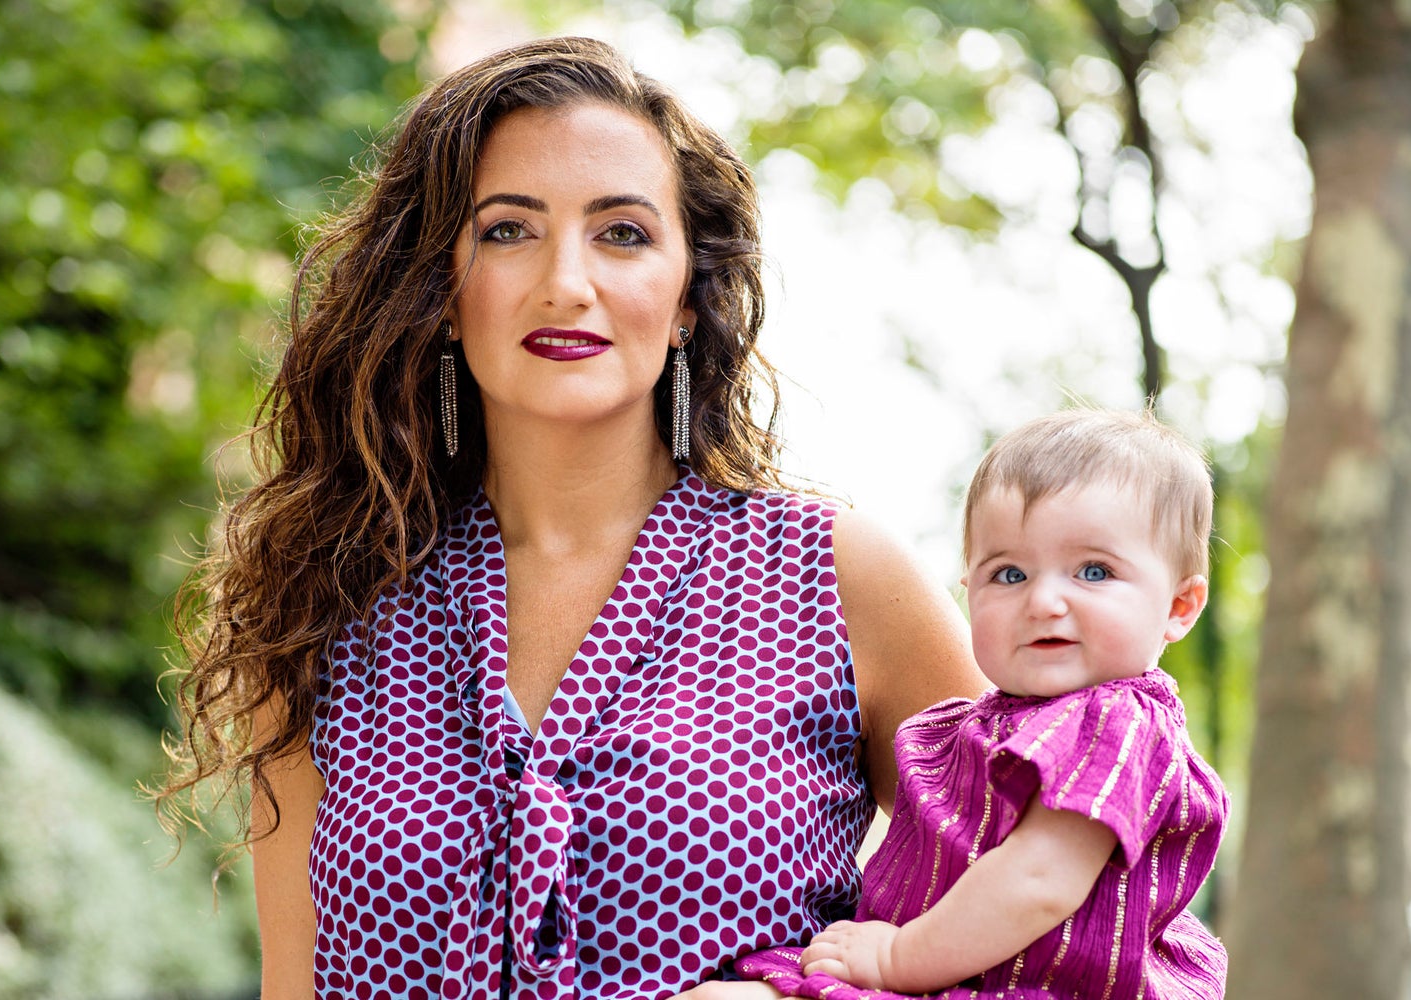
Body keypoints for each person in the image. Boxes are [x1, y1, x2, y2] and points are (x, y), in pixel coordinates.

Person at [157, 35, 984, 1000]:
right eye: (508, 230)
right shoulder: (324, 602)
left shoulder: (835, 580)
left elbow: (1064, 944)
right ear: (443, 293)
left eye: (623, 233)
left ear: (687, 297)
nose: (567, 282)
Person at [723, 408, 1229, 999]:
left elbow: (1038, 879)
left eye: (1094, 571)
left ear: (1179, 606)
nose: (1043, 601)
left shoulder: (1113, 724)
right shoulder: (998, 718)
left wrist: (895, 958)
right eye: (1009, 574)